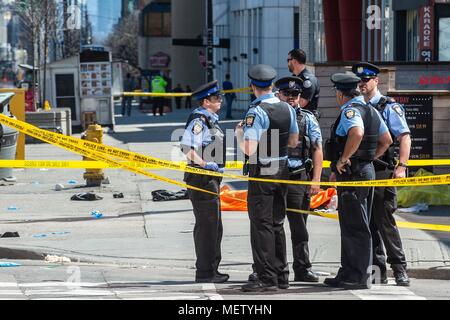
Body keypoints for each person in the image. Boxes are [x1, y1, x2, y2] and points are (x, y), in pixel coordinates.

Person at [323, 73, 392, 290]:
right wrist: (369, 159)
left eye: (336, 92)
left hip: (354, 173)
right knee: (352, 224)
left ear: (341, 94)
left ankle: (359, 276)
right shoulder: (371, 109)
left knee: (356, 226)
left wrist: (345, 158)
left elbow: (357, 132)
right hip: (364, 171)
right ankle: (348, 271)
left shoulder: (350, 110)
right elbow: (387, 140)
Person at [236, 64, 299, 292]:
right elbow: (293, 141)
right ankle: (282, 275)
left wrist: (239, 134)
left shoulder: (256, 112)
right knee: (277, 223)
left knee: (261, 224)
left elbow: (250, 148)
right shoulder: (287, 108)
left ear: (253, 86)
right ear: (272, 85)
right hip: (282, 167)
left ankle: (266, 278)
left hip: (262, 169)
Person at [352, 62, 412, 286]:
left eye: (366, 80)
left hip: (383, 170)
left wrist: (402, 167)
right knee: (369, 223)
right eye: (360, 80)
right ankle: (378, 273)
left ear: (376, 81)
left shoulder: (388, 106)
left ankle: (399, 269)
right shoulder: (357, 105)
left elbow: (404, 136)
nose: (362, 84)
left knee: (385, 221)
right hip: (364, 171)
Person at [180, 80, 229, 284]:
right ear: (206, 101)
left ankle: (211, 269)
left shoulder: (210, 120)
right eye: (217, 98)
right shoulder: (199, 120)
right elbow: (186, 147)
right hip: (202, 179)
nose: (220, 101)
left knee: (214, 226)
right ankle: (206, 272)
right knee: (208, 226)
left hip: (209, 179)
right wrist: (205, 164)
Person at [275, 76, 323, 283]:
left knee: (299, 227)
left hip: (298, 177)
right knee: (273, 226)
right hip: (273, 177)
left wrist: (316, 180)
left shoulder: (308, 118)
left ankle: (302, 268)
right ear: (279, 95)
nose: (292, 98)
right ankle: (276, 269)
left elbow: (317, 149)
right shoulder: (269, 115)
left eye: (295, 94)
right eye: (287, 94)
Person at [287, 49, 320, 115]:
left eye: (288, 60)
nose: (287, 63)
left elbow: (301, 103)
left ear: (294, 61)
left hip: (306, 121)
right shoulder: (294, 78)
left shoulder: (308, 80)